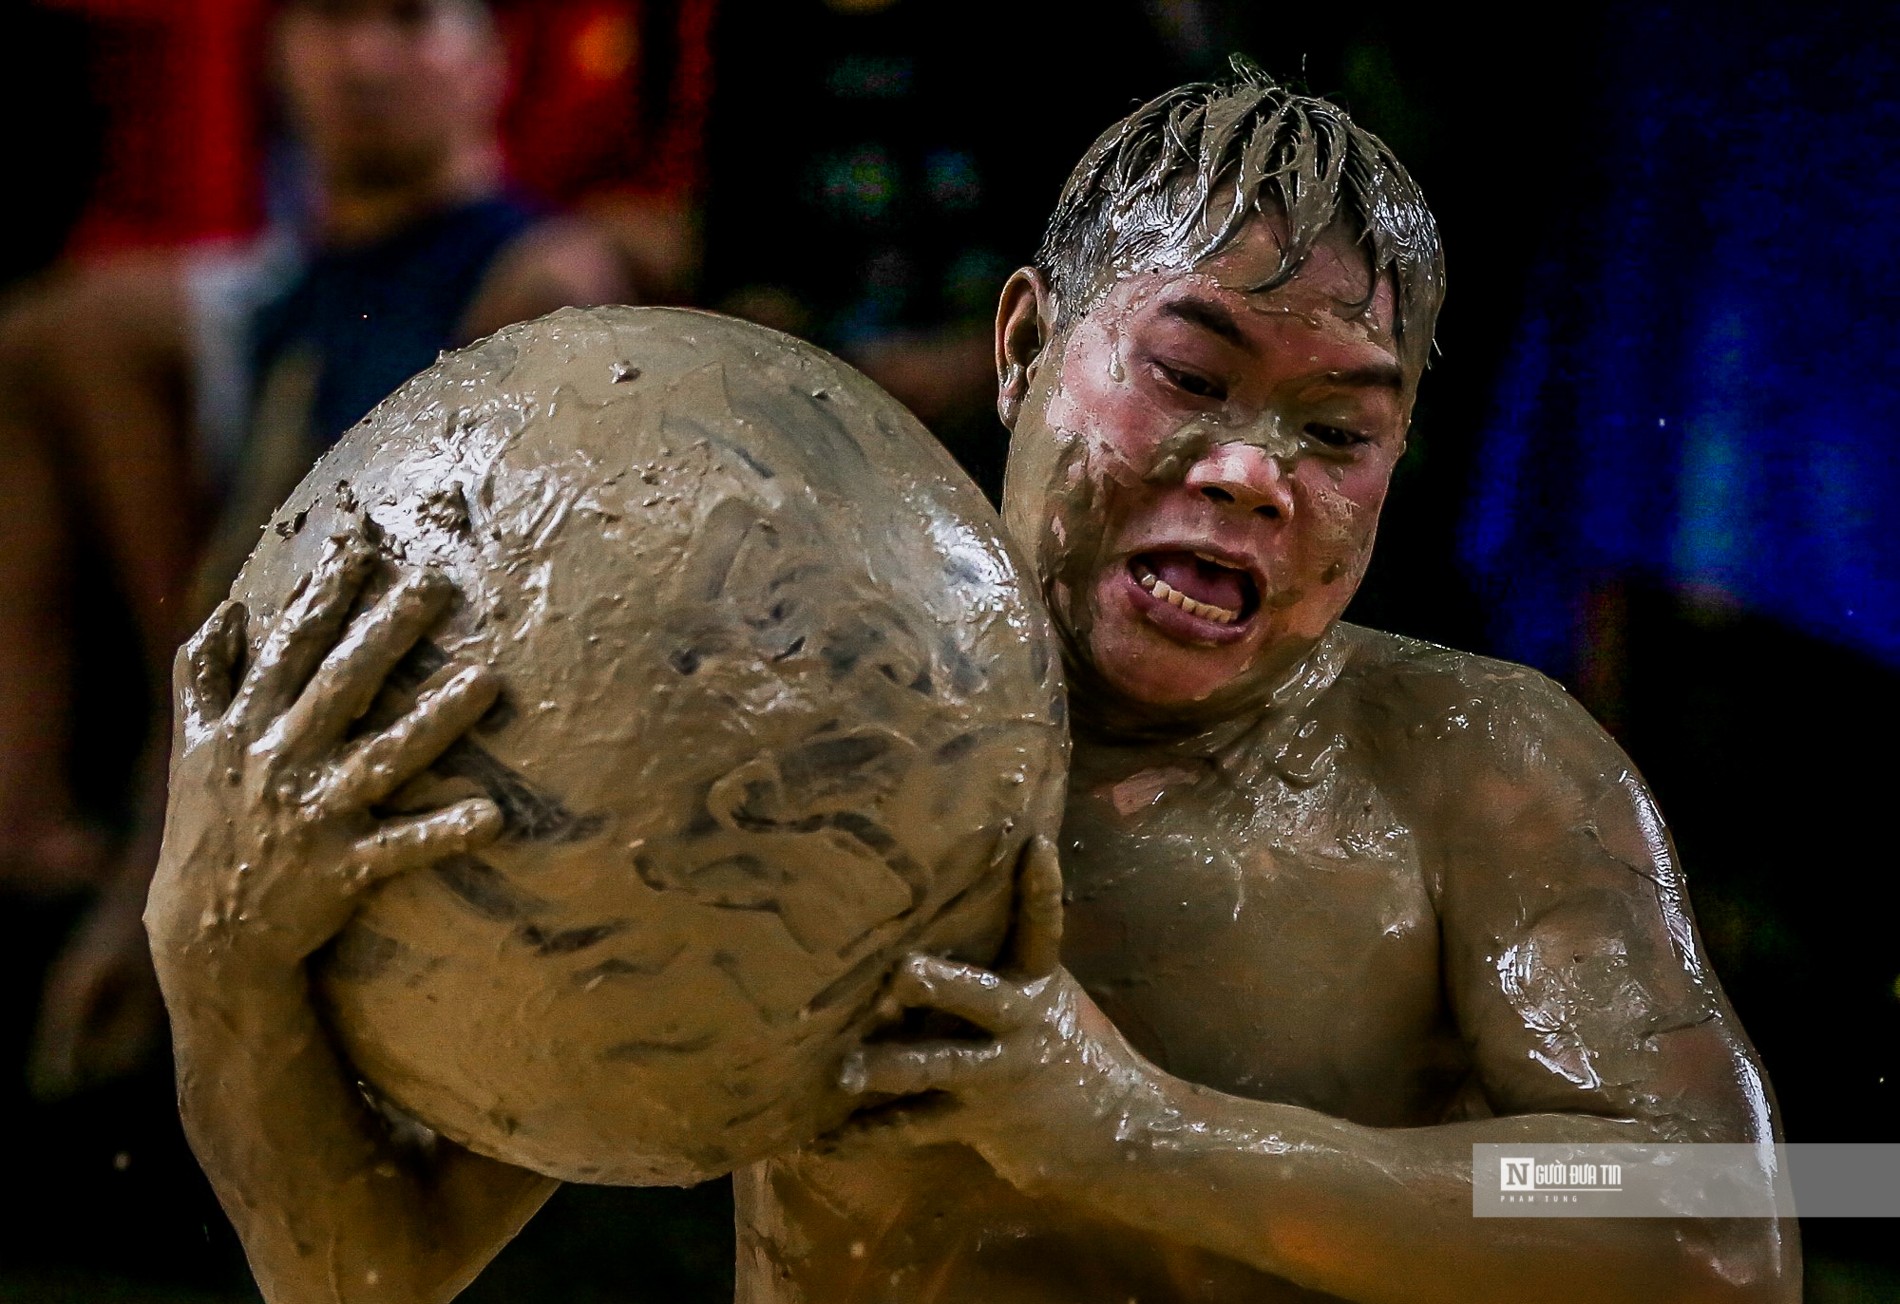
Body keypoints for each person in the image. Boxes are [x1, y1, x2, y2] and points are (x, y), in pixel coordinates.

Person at [144, 65, 1798, 1302]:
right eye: (1186, 374)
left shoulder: (1472, 764)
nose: (1248, 469)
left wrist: (1143, 1132)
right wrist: (215, 961)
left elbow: (1746, 1222)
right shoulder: (771, 734)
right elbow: (366, 1272)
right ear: (1021, 343)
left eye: (1339, 431)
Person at [8, 0, 629, 1102]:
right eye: (331, 19)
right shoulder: (301, 299)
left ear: (487, 61)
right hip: (260, 772)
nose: (363, 58)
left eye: (407, 18)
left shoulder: (539, 281)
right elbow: (230, 611)